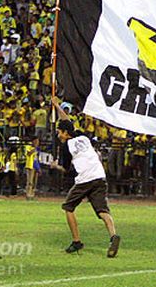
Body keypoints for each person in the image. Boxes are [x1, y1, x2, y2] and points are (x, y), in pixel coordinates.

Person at [51, 97, 120, 258]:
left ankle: (76, 241)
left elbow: (66, 169)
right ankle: (113, 236)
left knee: (68, 208)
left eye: (59, 132)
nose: (59, 135)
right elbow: (67, 122)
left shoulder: (66, 147)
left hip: (85, 179)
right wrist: (57, 107)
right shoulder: (83, 136)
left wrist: (55, 166)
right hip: (100, 176)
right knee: (102, 210)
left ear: (65, 133)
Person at [25, 136, 39, 200]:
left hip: (35, 165)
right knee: (29, 181)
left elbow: (36, 158)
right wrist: (34, 148)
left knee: (34, 181)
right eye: (36, 141)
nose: (37, 143)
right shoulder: (28, 147)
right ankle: (28, 194)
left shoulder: (37, 149)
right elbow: (28, 154)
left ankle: (32, 194)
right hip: (30, 166)